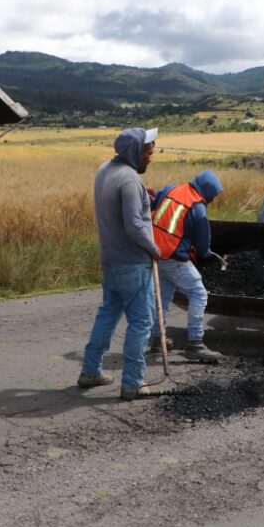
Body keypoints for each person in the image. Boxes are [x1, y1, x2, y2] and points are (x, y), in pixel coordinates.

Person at [78, 127, 163, 401]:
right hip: (133, 262)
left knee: (108, 315)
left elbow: (124, 208)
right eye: (148, 153)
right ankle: (133, 383)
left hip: (111, 259)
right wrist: (155, 249)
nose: (151, 158)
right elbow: (134, 227)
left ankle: (91, 371)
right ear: (135, 152)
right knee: (141, 322)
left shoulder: (106, 170)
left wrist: (142, 199)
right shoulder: (129, 180)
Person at [148, 170, 224, 363]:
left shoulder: (171, 189)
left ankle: (158, 339)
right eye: (213, 196)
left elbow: (152, 203)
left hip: (154, 253)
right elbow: (202, 244)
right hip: (173, 256)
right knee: (199, 293)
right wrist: (206, 254)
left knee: (163, 296)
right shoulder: (198, 209)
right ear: (207, 191)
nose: (213, 200)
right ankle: (195, 344)